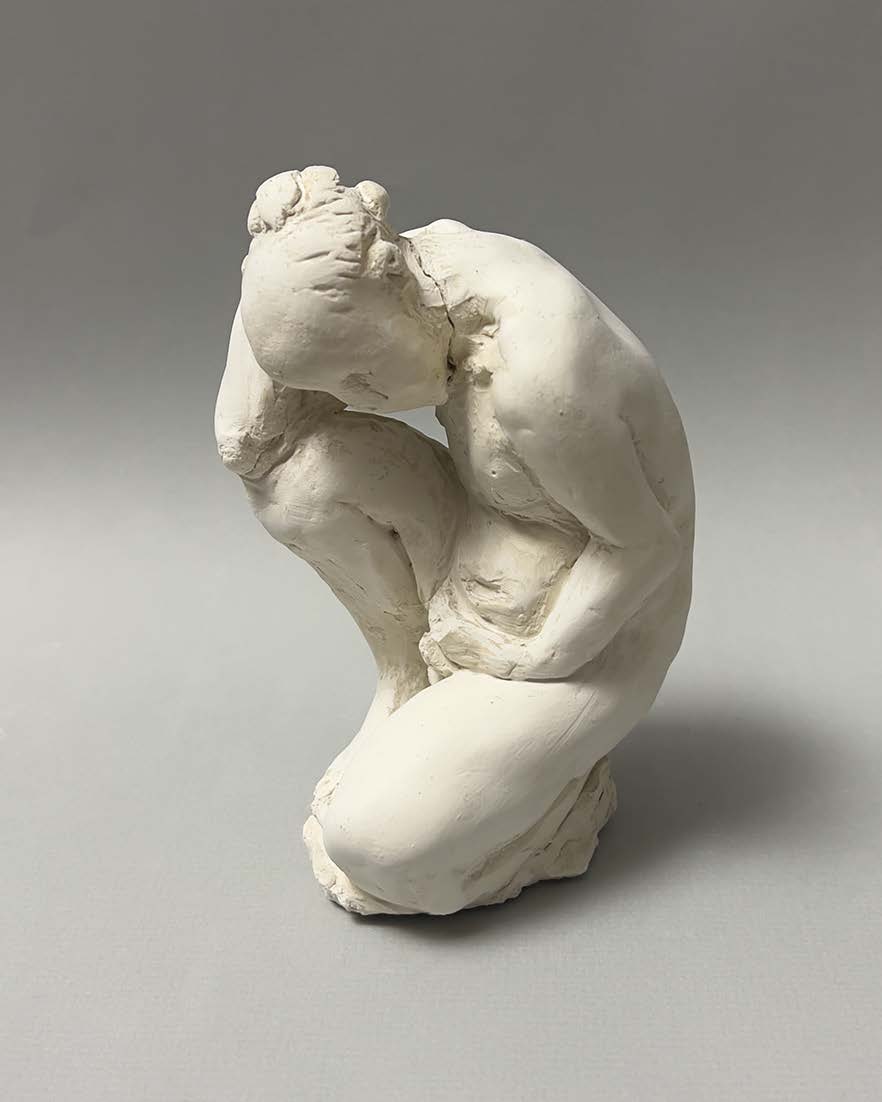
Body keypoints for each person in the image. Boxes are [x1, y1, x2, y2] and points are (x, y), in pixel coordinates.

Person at [215, 166, 694, 915]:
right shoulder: (389, 272)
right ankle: (409, 682)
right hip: (476, 565)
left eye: (361, 375)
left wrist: (527, 658)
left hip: (583, 637)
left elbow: (645, 551)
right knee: (294, 480)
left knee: (371, 847)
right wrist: (279, 274)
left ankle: (556, 813)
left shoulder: (539, 377)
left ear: (391, 288)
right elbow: (245, 440)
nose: (358, 400)